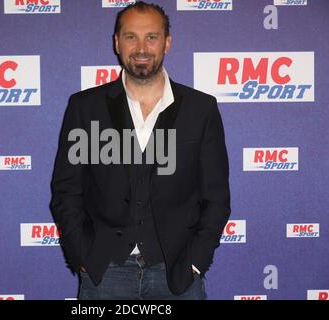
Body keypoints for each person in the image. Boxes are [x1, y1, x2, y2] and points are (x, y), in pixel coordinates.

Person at [50, 2, 230, 300]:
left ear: (167, 42)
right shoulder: (85, 107)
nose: (141, 47)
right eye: (131, 36)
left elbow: (217, 196)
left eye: (152, 37)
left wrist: (197, 261)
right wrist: (82, 255)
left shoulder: (201, 109)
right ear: (117, 43)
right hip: (104, 271)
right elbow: (67, 189)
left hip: (178, 272)